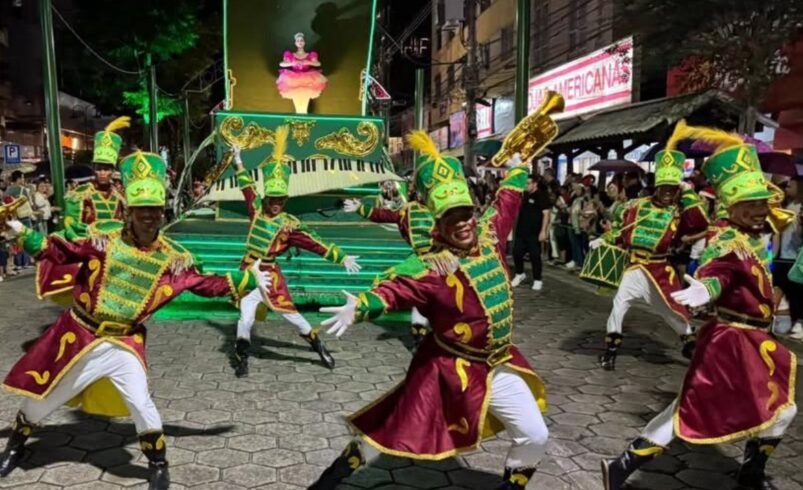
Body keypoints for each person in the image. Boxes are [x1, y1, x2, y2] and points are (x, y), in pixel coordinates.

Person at [0, 150, 269, 490]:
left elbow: (207, 285)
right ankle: (16, 446)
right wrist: (19, 229)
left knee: (141, 404)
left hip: (124, 344)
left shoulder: (174, 260)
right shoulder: (102, 241)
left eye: (154, 210)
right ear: (129, 211)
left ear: (162, 212)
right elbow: (60, 251)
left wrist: (249, 280)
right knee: (42, 403)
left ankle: (158, 464)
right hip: (82, 338)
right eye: (142, 210)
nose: (148, 217)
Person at [309, 131, 550, 490]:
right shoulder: (434, 267)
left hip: (497, 364)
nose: (464, 223)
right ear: (438, 225)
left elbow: (507, 202)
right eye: (453, 218)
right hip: (445, 369)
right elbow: (395, 289)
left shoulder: (489, 236)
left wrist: (516, 171)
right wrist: (361, 306)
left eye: (466, 213)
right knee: (391, 431)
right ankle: (333, 478)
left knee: (535, 435)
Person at [602, 127, 797, 490]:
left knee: (778, 409)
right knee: (688, 411)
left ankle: (749, 474)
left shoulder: (755, 238)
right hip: (730, 343)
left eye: (762, 204)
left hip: (753, 341)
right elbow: (716, 271)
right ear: (732, 207)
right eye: (751, 205)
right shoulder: (726, 240)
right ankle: (623, 467)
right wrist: (706, 290)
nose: (760, 211)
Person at [230, 126, 360, 376]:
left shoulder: (289, 225)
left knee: (292, 316)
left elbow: (314, 242)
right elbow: (246, 185)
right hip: (247, 273)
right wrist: (238, 161)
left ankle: (318, 345)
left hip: (270, 276)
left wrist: (340, 256)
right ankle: (242, 358)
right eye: (273, 198)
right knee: (245, 319)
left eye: (281, 199)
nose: (276, 203)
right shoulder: (256, 208)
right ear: (266, 197)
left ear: (286, 200)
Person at [592, 121, 709, 370]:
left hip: (659, 271)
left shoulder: (678, 212)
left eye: (672, 189)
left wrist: (687, 192)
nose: (668, 193)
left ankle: (690, 342)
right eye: (664, 188)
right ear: (657, 186)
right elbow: (620, 231)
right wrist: (604, 239)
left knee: (670, 311)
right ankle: (610, 351)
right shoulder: (637, 206)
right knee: (619, 305)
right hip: (634, 268)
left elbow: (700, 224)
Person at [36, 117, 130, 301]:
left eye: (107, 169)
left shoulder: (120, 198)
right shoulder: (80, 195)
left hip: (114, 255)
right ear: (94, 170)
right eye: (99, 169)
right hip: (89, 253)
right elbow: (71, 226)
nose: (103, 173)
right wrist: (90, 238)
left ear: (113, 171)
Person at [343, 182, 435, 348]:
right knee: (420, 296)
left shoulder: (448, 211)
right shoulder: (409, 210)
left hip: (448, 261)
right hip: (422, 262)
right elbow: (384, 214)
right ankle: (420, 336)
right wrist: (360, 208)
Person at [511, 174, 551, 291]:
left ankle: (537, 279)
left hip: (534, 232)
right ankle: (519, 273)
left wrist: (543, 231)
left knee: (534, 256)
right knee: (517, 253)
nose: (525, 185)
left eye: (528, 183)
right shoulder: (523, 195)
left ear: (535, 184)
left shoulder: (541, 196)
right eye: (524, 183)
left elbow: (546, 214)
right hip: (521, 231)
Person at [276, 32, 328, 114]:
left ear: (304, 42)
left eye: (301, 40)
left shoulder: (310, 55)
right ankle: (299, 114)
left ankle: (303, 114)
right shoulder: (290, 55)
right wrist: (292, 63)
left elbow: (318, 63)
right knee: (296, 97)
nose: (300, 42)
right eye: (298, 41)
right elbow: (282, 64)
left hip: (307, 78)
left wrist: (307, 62)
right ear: (295, 43)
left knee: (305, 98)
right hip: (293, 78)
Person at [5, 171, 34, 270]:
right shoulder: (23, 190)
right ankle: (26, 261)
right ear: (18, 179)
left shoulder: (8, 190)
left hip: (14, 218)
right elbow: (30, 203)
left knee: (17, 240)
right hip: (24, 217)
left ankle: (18, 263)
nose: (23, 180)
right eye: (22, 178)